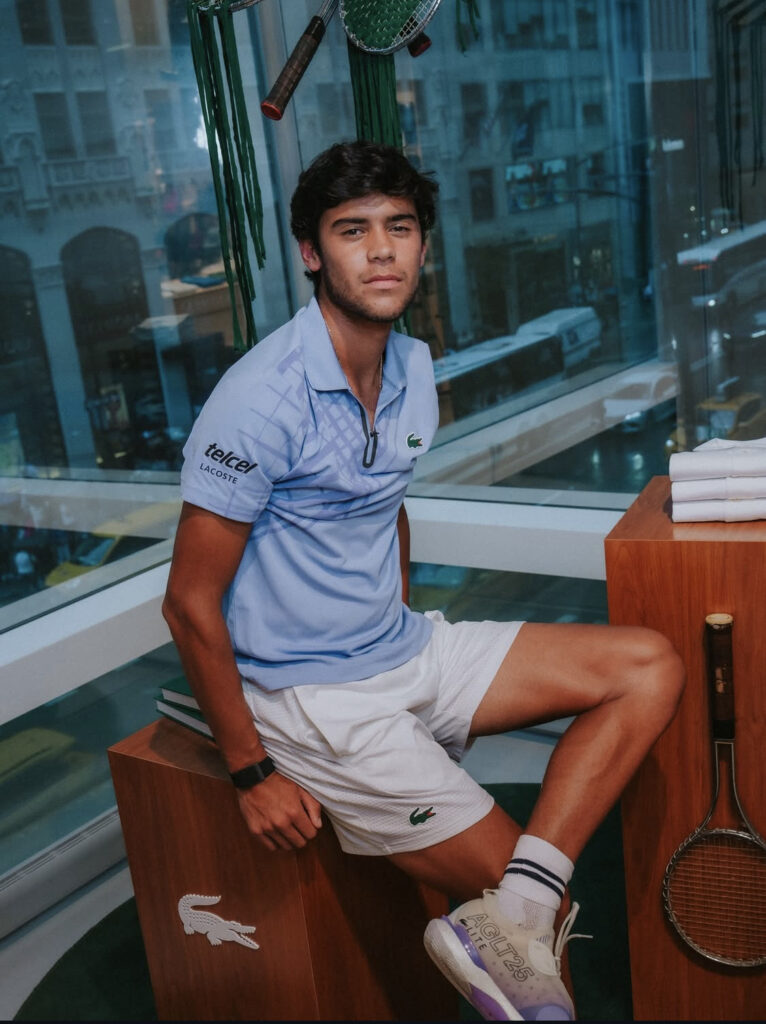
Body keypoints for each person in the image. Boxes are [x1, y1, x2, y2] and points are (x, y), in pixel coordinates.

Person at [162, 140, 685, 1021]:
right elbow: (187, 602)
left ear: (423, 244)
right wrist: (253, 772)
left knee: (650, 666)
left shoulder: (410, 365)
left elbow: (385, 502)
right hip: (314, 695)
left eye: (399, 227)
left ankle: (517, 912)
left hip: (403, 648)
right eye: (352, 230)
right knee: (530, 899)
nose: (381, 251)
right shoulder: (259, 400)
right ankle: (524, 913)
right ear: (310, 252)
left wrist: (410, 655)